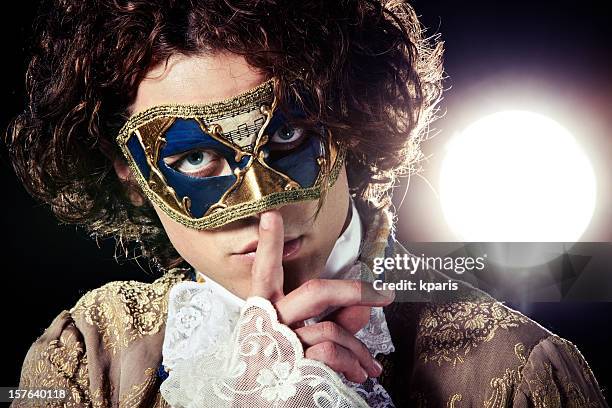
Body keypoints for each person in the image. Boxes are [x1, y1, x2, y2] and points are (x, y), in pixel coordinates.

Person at [7, 0, 608, 406]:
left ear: (347, 119)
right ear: (129, 174)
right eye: (194, 159)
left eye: (288, 136)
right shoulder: (86, 357)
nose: (259, 206)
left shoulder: (515, 369)